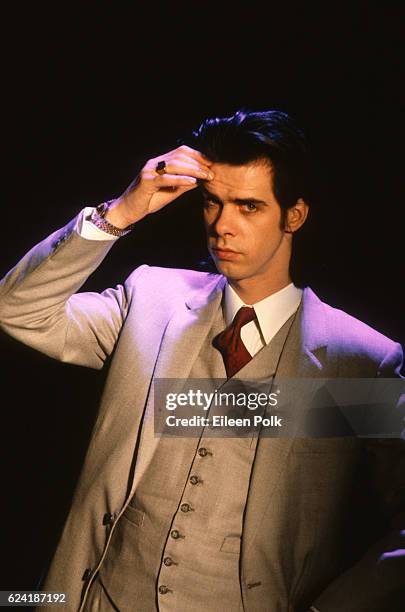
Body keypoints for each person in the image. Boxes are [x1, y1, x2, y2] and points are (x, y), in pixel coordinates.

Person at [0, 109, 404, 612]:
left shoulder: (358, 358)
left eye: (248, 206)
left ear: (293, 216)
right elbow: (18, 311)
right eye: (213, 203)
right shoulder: (151, 299)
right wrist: (121, 213)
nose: (222, 226)